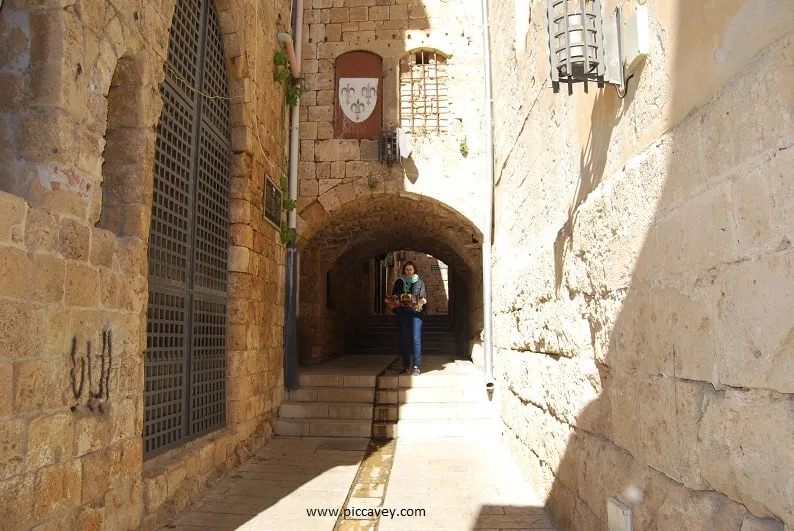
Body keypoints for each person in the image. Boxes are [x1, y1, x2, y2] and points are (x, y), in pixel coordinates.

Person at [385, 262, 427, 375]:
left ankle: (416, 366)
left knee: (416, 340)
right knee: (404, 340)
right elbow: (394, 295)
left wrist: (422, 301)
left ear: (414, 270)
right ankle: (406, 366)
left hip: (416, 314)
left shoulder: (420, 282)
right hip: (403, 313)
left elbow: (423, 297)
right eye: (407, 269)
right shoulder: (399, 282)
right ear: (404, 270)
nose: (408, 271)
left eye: (411, 269)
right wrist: (395, 301)